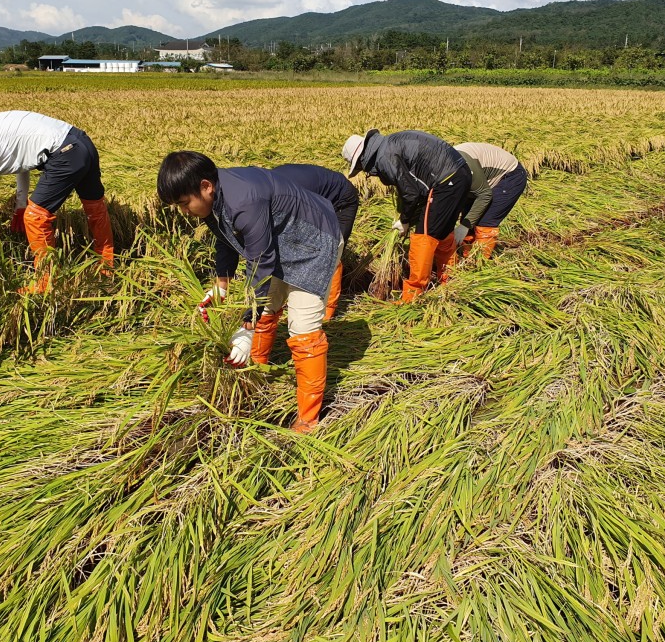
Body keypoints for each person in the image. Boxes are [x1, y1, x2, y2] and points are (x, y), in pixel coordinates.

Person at [157, 151, 342, 433]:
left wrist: (247, 324)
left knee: (303, 330)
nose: (184, 211)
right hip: (282, 245)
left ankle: (308, 419)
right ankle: (255, 370)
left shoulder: (244, 200)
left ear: (206, 186)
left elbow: (261, 260)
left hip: (314, 242)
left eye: (184, 203)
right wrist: (221, 285)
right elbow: (227, 240)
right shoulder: (214, 199)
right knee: (268, 307)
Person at [0, 110, 114, 293]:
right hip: (82, 142)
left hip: (64, 153)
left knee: (35, 218)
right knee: (94, 206)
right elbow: (22, 162)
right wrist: (20, 205)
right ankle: (107, 267)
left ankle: (45, 283)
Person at [342, 129, 470, 303]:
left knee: (424, 235)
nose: (365, 172)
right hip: (460, 175)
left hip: (445, 182)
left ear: (363, 158)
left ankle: (414, 295)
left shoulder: (384, 157)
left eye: (359, 166)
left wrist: (404, 221)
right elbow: (412, 185)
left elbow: (410, 193)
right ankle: (452, 279)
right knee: (442, 233)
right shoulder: (389, 144)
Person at [271, 163, 359, 320]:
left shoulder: (289, 195)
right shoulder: (267, 189)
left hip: (341, 200)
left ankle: (327, 309)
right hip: (316, 195)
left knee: (330, 253)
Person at [451, 143, 528, 258]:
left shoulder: (463, 166)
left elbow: (484, 195)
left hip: (509, 175)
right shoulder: (444, 168)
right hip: (479, 178)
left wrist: (464, 226)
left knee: (485, 222)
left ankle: (479, 262)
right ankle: (465, 256)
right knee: (468, 218)